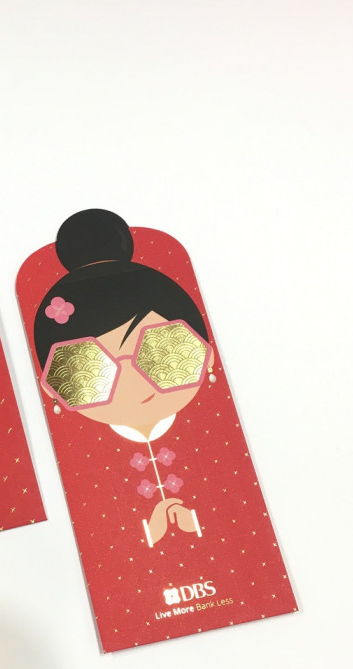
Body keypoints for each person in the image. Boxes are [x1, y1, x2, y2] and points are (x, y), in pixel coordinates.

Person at [32, 209, 216, 546]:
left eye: (162, 351)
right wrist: (149, 533)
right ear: (54, 389)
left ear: (207, 352)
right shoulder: (89, 470)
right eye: (92, 368)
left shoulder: (216, 446)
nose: (133, 379)